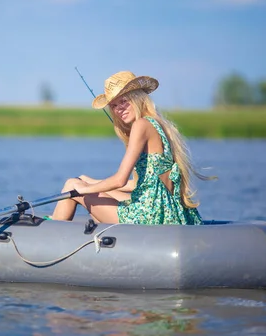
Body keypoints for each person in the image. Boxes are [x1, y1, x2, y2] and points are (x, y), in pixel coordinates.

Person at [49, 70, 214, 225]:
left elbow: (119, 180)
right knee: (81, 182)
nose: (119, 109)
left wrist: (84, 189)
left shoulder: (141, 125)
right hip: (164, 210)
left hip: (148, 214)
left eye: (123, 101)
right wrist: (91, 182)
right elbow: (138, 184)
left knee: (71, 184)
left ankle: (51, 235)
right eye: (113, 105)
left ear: (137, 98)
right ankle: (56, 222)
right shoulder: (157, 124)